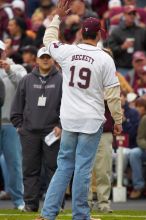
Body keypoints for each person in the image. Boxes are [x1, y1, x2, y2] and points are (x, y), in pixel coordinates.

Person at [35, 0, 123, 220]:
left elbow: (48, 41)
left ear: (83, 33)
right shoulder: (105, 58)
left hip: (69, 119)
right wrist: (118, 120)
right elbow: (112, 95)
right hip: (91, 120)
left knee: (64, 166)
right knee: (83, 169)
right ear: (99, 35)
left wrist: (57, 17)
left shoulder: (67, 51)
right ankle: (81, 214)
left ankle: (48, 214)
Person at [10, 47, 62, 212]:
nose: (45, 60)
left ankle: (56, 205)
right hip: (29, 133)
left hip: (52, 132)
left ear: (52, 60)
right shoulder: (26, 80)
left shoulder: (61, 79)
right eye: (43, 57)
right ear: (37, 60)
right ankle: (31, 205)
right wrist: (19, 126)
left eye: (48, 57)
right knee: (30, 169)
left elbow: (67, 106)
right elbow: (17, 105)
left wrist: (61, 126)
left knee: (54, 169)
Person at [0, 40, 26, 210]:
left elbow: (24, 85)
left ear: (5, 51)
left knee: (14, 164)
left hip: (9, 123)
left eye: (0, 52)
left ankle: (19, 202)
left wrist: (8, 70)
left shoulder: (17, 68)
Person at [129, 97, 146, 199]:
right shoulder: (144, 119)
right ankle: (138, 186)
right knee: (134, 153)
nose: (138, 109)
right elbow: (140, 139)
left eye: (140, 106)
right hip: (144, 149)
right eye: (137, 106)